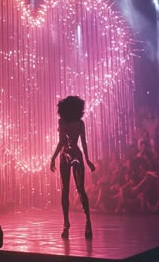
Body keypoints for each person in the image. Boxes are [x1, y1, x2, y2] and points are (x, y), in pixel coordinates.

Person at [50, 96, 95, 239]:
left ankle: (66, 225)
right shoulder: (80, 123)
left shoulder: (62, 122)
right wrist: (87, 160)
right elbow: (84, 143)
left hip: (65, 155)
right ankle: (88, 222)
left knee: (65, 190)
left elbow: (61, 142)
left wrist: (53, 157)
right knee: (81, 189)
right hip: (76, 153)